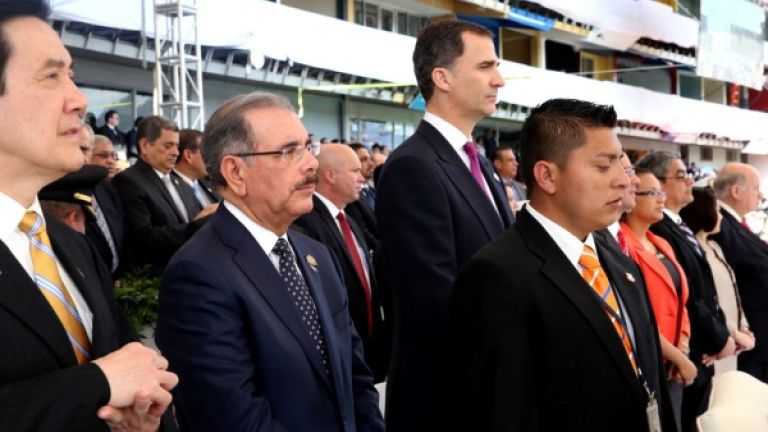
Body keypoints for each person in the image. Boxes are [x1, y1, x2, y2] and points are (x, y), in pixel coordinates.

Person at [156, 92, 384, 431]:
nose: (311, 164)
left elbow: (355, 376)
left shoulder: (317, 255)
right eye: (289, 152)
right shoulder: (198, 274)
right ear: (235, 172)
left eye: (309, 148)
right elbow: (234, 419)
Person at [0, 2, 177, 430]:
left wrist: (145, 416)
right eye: (51, 76)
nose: (79, 100)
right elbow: (109, 376)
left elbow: (132, 372)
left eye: (72, 76)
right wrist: (95, 384)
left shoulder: (72, 246)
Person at [451, 98, 675, 431]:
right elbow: (505, 412)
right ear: (547, 176)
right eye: (603, 166)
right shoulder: (498, 275)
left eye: (622, 165)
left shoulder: (614, 256)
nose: (623, 180)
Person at [375, 19, 514, 431]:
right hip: (447, 401)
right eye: (486, 66)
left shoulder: (478, 162)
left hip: (485, 388)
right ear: (443, 78)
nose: (500, 80)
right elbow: (435, 301)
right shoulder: (412, 167)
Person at [637, 151, 732, 432]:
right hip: (677, 359)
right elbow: (684, 301)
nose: (690, 181)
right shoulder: (659, 232)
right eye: (681, 176)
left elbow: (691, 291)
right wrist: (714, 340)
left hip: (693, 351)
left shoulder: (668, 233)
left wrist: (715, 338)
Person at [293, 144, 390, 382]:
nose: (361, 177)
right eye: (354, 171)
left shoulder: (348, 219)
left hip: (368, 348)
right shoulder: (307, 222)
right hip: (340, 353)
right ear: (330, 175)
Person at [620, 167, 695, 430]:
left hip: (674, 360)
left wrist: (683, 344)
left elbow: (681, 301)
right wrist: (678, 356)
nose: (660, 198)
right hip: (653, 360)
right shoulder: (623, 248)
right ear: (630, 200)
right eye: (651, 192)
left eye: (660, 191)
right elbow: (640, 315)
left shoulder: (661, 242)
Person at [112, 115, 217, 273]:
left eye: (177, 146)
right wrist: (196, 225)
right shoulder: (129, 181)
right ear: (145, 145)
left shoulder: (178, 180)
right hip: (157, 278)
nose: (175, 152)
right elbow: (144, 238)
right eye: (168, 146)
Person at [681, 186, 754, 375]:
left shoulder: (714, 246)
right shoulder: (694, 250)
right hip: (716, 343)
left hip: (732, 345)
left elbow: (733, 292)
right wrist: (732, 333)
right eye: (717, 210)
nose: (720, 217)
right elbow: (710, 299)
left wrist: (744, 329)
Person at [709, 163, 767, 381]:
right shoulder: (721, 225)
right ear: (736, 191)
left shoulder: (734, 224)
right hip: (748, 337)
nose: (760, 195)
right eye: (755, 188)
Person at [172, 128, 219, 207]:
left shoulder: (210, 183)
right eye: (206, 152)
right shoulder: (170, 189)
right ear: (188, 155)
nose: (211, 158)